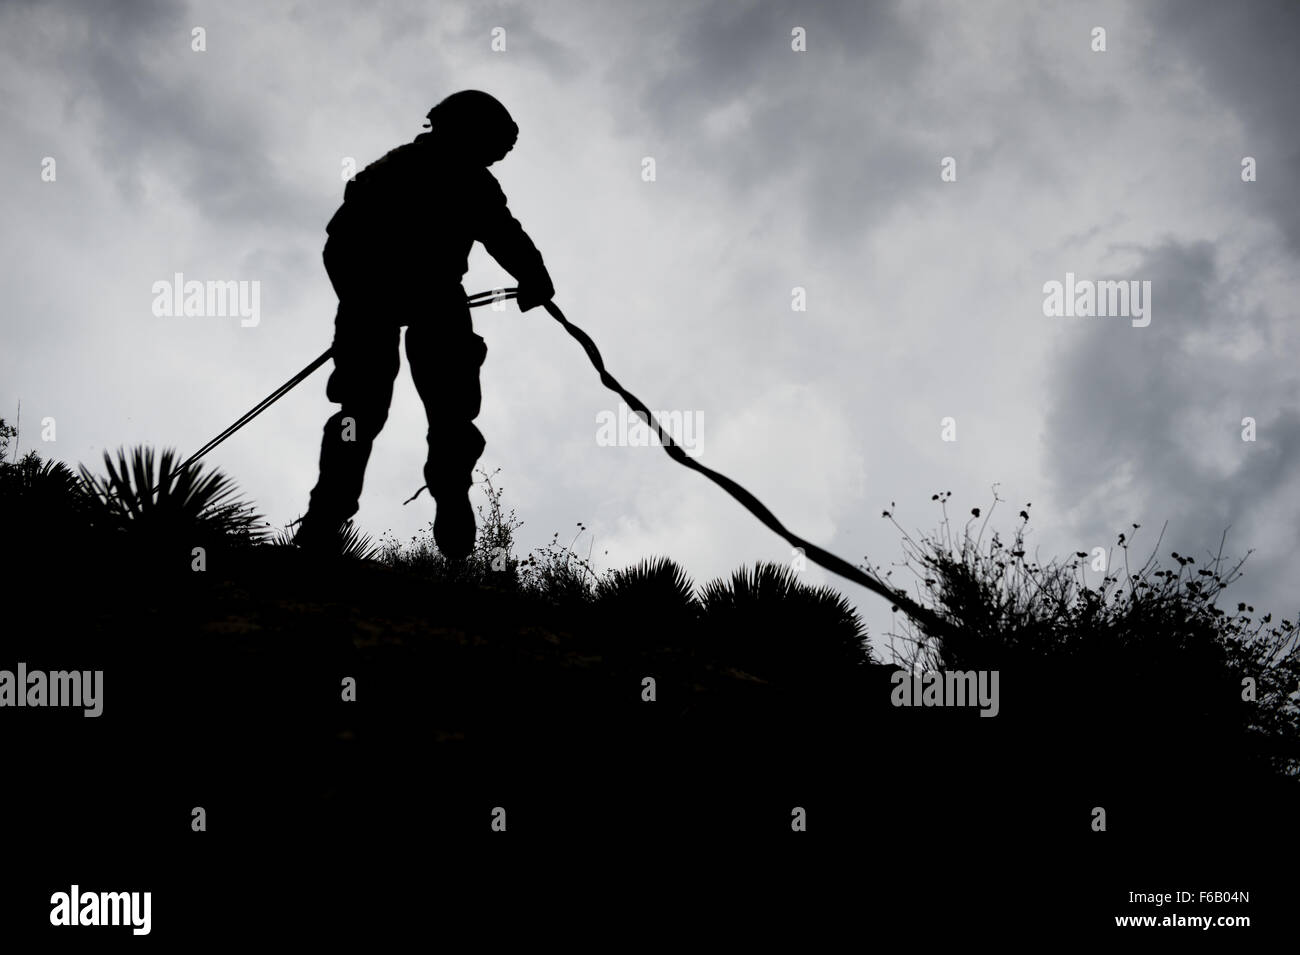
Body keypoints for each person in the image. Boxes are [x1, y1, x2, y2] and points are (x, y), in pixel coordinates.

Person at [294, 90, 554, 558]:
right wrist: (365, 299)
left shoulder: (457, 179)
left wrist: (534, 276)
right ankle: (328, 517)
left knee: (426, 407)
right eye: (494, 145)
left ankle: (431, 497)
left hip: (418, 299)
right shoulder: (410, 173)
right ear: (464, 130)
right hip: (391, 298)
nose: (497, 156)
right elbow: (341, 243)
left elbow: (503, 233)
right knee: (371, 410)